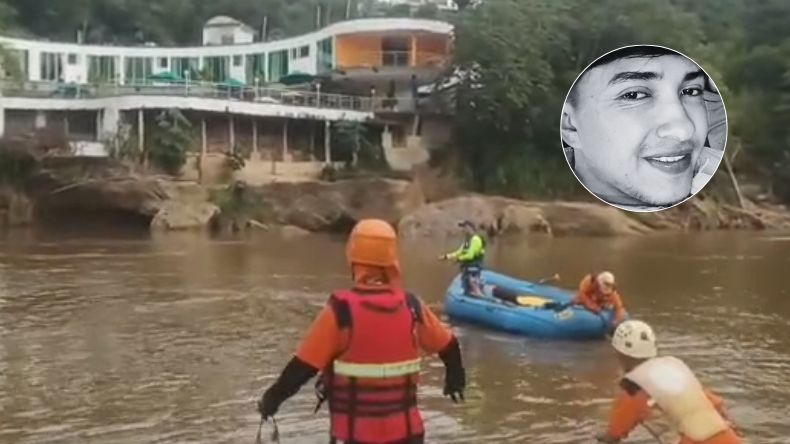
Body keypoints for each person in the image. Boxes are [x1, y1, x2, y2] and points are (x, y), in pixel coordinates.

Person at [257, 219, 466, 444]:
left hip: (355, 437)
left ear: (353, 259)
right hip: (408, 436)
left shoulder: (340, 311)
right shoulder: (412, 307)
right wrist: (455, 379)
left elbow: (302, 369)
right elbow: (449, 346)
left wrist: (271, 400)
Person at [561, 45, 724, 212]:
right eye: (633, 95)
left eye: (691, 91)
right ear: (571, 127)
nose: (683, 131)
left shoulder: (720, 175)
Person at [596, 320, 742, 444]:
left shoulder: (633, 387)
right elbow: (714, 402)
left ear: (620, 354)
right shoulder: (673, 368)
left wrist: (604, 438)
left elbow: (616, 432)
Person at [439, 220, 486, 297]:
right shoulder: (467, 240)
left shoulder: (475, 240)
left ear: (469, 228)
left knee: (475, 290)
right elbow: (459, 252)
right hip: (467, 269)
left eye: (464, 227)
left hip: (473, 269)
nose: (463, 230)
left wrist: (458, 259)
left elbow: (470, 255)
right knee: (467, 289)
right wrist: (446, 257)